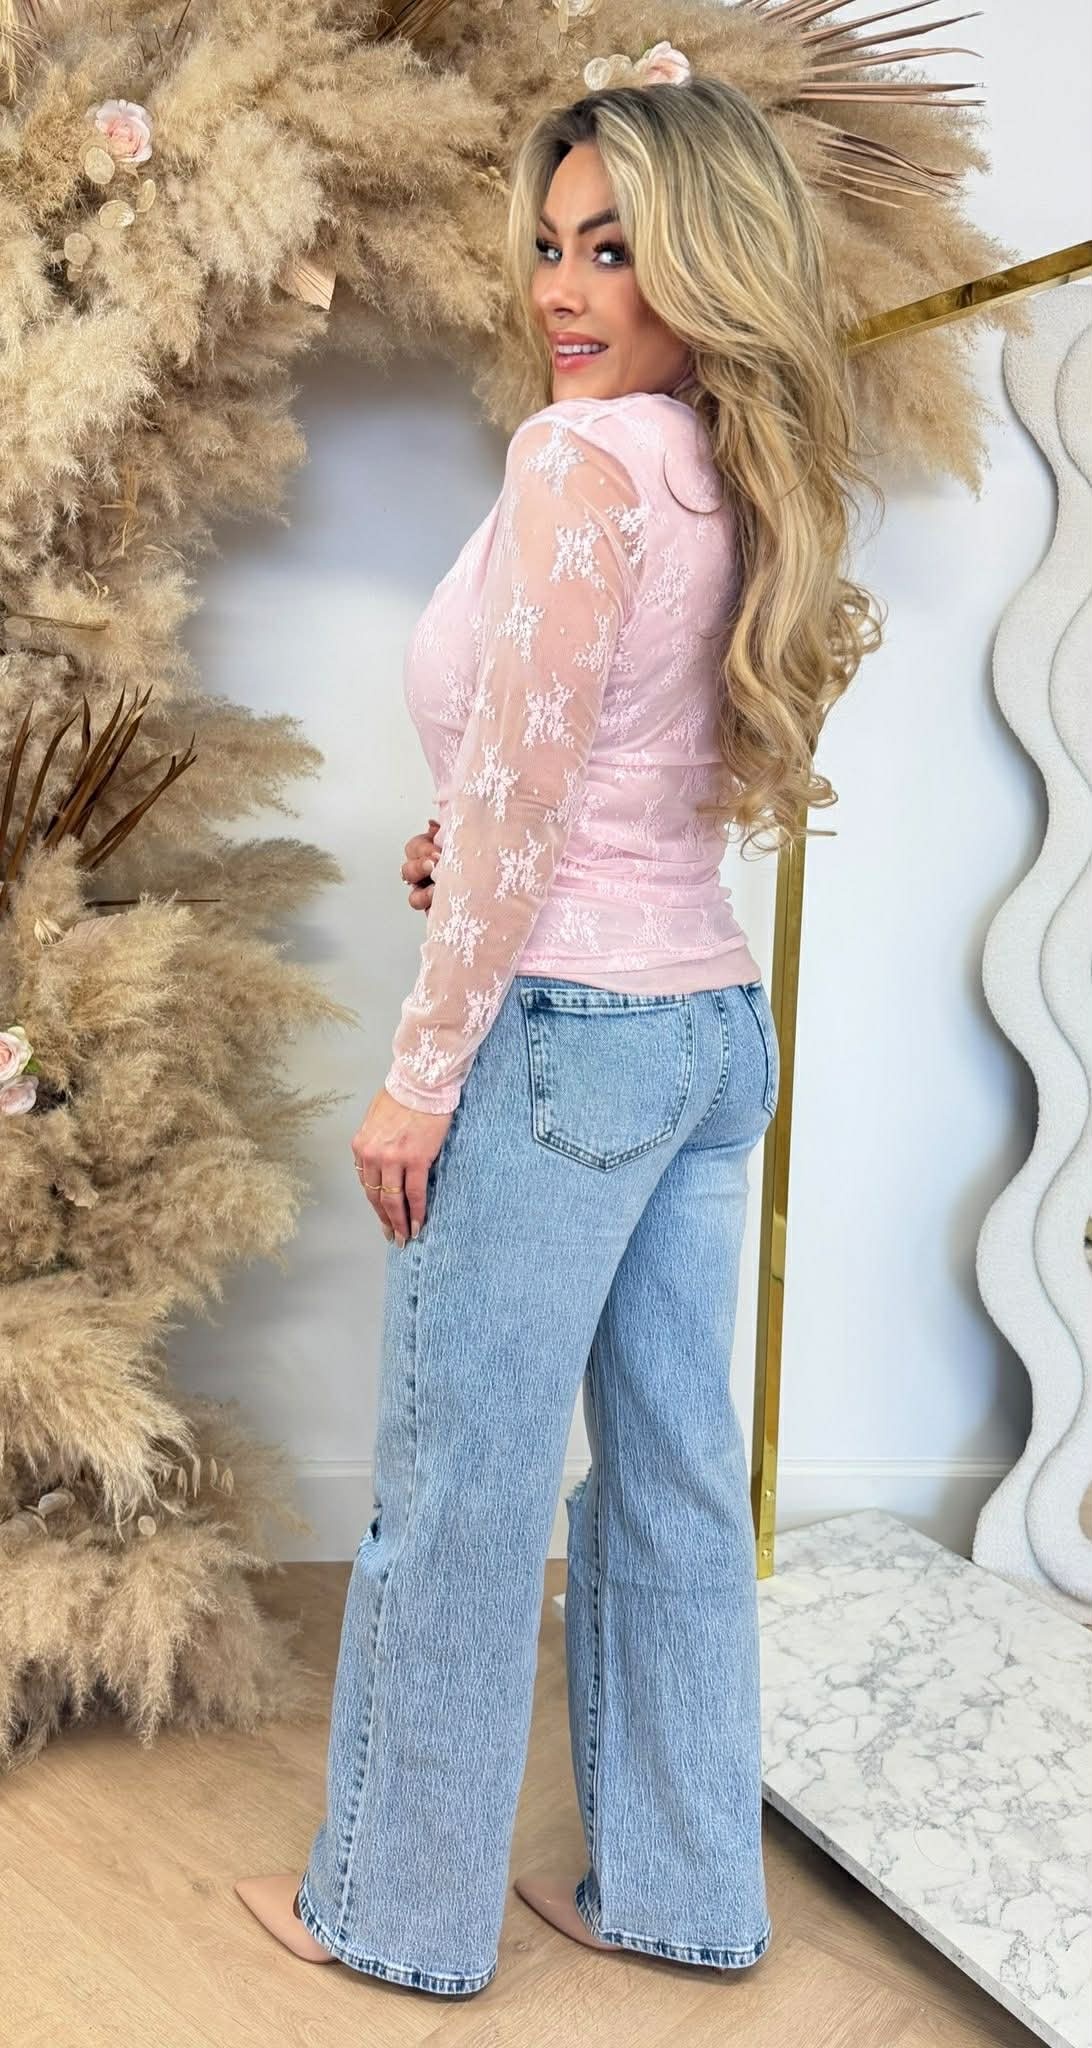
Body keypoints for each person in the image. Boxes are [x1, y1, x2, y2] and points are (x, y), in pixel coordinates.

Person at [234, 55, 883, 1999]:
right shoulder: (735, 463)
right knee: (674, 1480)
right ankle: (682, 1892)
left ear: (704, 259)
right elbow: (620, 770)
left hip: (562, 1041)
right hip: (706, 1029)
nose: (562, 289)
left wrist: (418, 1075)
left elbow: (530, 802)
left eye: (614, 249)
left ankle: (391, 1913)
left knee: (463, 1491)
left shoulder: (579, 462)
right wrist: (484, 841)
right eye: (549, 244)